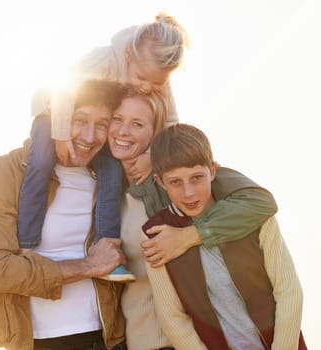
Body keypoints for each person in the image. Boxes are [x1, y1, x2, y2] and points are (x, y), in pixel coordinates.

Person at [18, 13, 188, 281]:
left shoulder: (157, 79)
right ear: (129, 54)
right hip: (54, 110)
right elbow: (64, 87)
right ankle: (27, 244)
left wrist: (152, 156)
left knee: (111, 173)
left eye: (156, 84)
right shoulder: (106, 58)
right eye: (142, 78)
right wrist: (60, 134)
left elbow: (171, 122)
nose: (147, 88)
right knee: (40, 162)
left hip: (94, 119)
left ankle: (107, 250)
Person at [107, 90, 279, 350]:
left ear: (155, 133)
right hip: (143, 340)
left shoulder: (185, 179)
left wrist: (191, 235)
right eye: (117, 119)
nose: (123, 131)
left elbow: (260, 202)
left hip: (199, 340)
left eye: (137, 124)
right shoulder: (107, 195)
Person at [0, 80, 129, 350]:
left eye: (102, 124)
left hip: (104, 338)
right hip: (33, 341)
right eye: (79, 120)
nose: (90, 136)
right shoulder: (10, 170)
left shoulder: (112, 176)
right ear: (57, 118)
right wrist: (89, 267)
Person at [142, 123, 307, 350]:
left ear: (213, 170)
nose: (189, 192)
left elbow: (288, 290)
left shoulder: (253, 214)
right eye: (175, 182)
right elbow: (173, 319)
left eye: (197, 177)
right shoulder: (157, 236)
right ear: (160, 182)